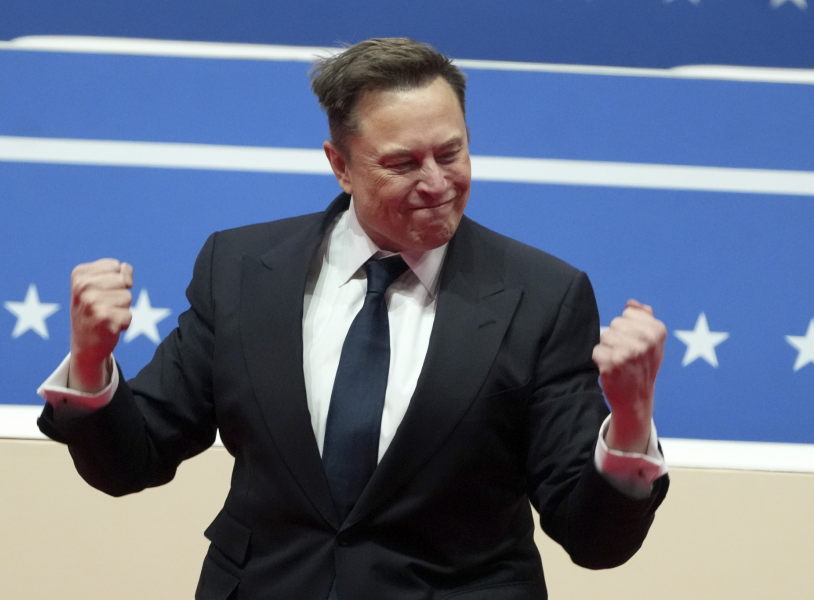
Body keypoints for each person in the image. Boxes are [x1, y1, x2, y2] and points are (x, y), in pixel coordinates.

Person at [38, 38, 669, 600]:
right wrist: (91, 364)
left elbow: (594, 540)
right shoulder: (240, 269)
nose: (436, 183)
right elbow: (132, 460)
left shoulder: (543, 296)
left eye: (451, 153)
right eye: (403, 163)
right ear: (340, 165)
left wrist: (631, 422)